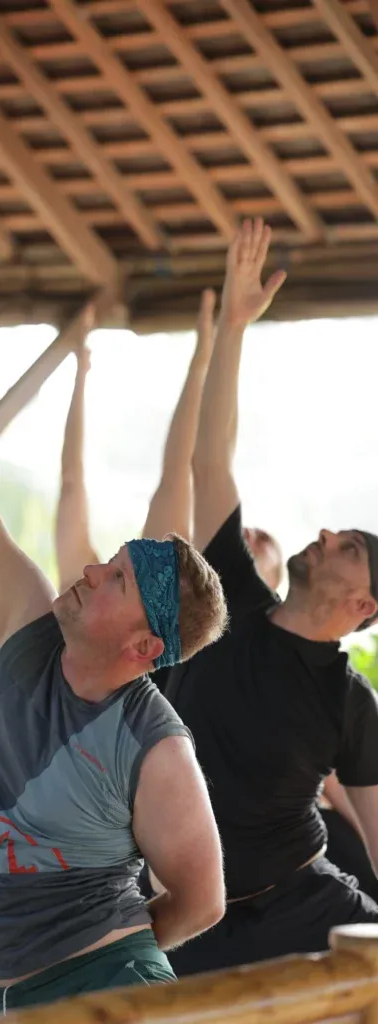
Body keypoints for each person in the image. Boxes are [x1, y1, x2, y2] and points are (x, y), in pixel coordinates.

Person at [0, 207, 229, 1013]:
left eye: (114, 578)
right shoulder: (26, 628)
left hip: (101, 994)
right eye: (111, 560)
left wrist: (98, 962)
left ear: (143, 646)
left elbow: (201, 899)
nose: (89, 569)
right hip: (5, 998)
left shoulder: (155, 747)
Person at [160, 218, 378, 975]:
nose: (323, 536)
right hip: (185, 915)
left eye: (347, 546)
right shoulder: (232, 600)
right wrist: (232, 328)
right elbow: (206, 458)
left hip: (303, 907)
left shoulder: (350, 703)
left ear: (362, 607)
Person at [55, 288, 284, 599]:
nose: (251, 535)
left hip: (154, 605)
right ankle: (200, 356)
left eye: (262, 544)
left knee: (181, 477)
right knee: (183, 474)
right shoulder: (163, 575)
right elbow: (202, 463)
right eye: (256, 534)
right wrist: (206, 356)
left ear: (268, 588)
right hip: (138, 599)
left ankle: (203, 355)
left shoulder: (174, 596)